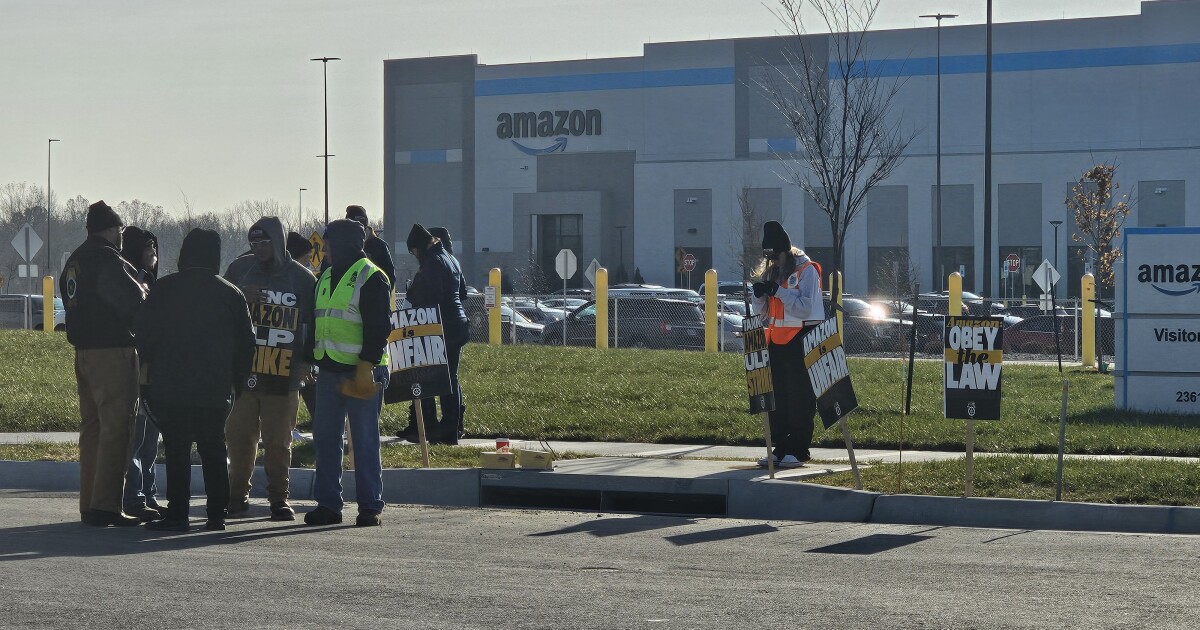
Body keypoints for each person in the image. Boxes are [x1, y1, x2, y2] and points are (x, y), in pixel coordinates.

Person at [138, 228, 256, 532]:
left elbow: (145, 337)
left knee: (177, 450)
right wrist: (237, 382)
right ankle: (217, 514)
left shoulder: (164, 289)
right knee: (214, 449)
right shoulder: (231, 293)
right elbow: (247, 344)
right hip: (215, 386)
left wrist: (149, 377)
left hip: (171, 383)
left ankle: (178, 513)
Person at [223, 218, 317, 521]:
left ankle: (279, 499)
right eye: (254, 243)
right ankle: (237, 495)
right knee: (239, 438)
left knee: (278, 441)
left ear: (278, 242)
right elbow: (218, 308)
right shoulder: (240, 270)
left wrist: (307, 360)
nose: (259, 249)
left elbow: (312, 325)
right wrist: (239, 296)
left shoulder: (302, 279)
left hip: (283, 373)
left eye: (265, 243)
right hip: (243, 373)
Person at [60, 201, 147, 527]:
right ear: (111, 230)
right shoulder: (107, 260)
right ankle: (107, 506)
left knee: (92, 429)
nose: (121, 236)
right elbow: (133, 302)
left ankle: (90, 503)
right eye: (120, 230)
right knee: (117, 429)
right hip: (113, 352)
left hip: (83, 353)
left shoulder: (75, 260)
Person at [305, 219, 391, 527]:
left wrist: (367, 366)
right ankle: (329, 505)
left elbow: (380, 327)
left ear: (342, 245)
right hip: (329, 369)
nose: (323, 249)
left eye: (327, 244)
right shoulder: (326, 276)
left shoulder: (372, 277)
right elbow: (318, 321)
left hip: (362, 371)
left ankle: (370, 507)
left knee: (364, 439)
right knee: (326, 439)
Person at [751, 221, 823, 469]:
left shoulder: (807, 271)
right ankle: (779, 447)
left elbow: (805, 307)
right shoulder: (772, 271)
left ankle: (799, 449)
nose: (775, 263)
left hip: (802, 340)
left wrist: (778, 292)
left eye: (778, 257)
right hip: (777, 341)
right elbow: (762, 313)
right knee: (777, 398)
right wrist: (759, 295)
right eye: (771, 259)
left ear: (787, 252)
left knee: (800, 398)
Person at [404, 224, 469, 445]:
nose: (415, 257)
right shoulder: (451, 259)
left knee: (436, 379)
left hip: (442, 326)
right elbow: (463, 292)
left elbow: (425, 296)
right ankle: (451, 428)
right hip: (458, 322)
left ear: (419, 248)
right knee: (451, 378)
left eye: (414, 252)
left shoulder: (432, 263)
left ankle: (441, 430)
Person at [119, 226, 165, 521]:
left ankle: (149, 493)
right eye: (149, 249)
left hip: (155, 369)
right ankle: (133, 498)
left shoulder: (151, 283)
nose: (154, 256)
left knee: (152, 438)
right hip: (134, 367)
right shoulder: (127, 282)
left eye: (156, 249)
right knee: (136, 438)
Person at [345, 205, 395, 289]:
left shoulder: (379, 246)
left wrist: (379, 298)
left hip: (370, 299)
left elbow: (389, 278)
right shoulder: (340, 247)